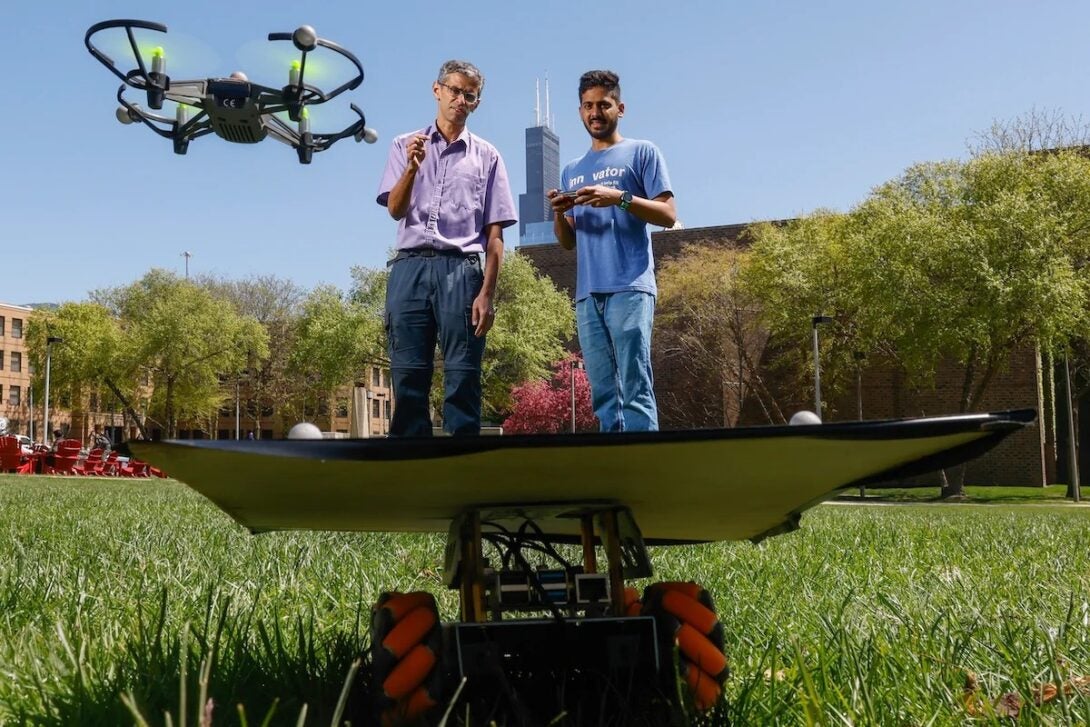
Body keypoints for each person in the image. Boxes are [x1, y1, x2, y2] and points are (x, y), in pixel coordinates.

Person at [376, 60, 516, 436]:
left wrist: (487, 293)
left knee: (463, 377)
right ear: (436, 90)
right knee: (408, 376)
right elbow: (395, 210)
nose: (459, 99)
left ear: (476, 103)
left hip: (462, 272)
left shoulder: (488, 157)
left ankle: (463, 471)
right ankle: (411, 471)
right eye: (453, 90)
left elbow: (496, 236)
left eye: (468, 95)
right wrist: (411, 167)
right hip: (409, 269)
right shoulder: (404, 145)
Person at [549, 70, 676, 432]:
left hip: (631, 287)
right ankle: (616, 472)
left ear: (619, 108)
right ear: (580, 112)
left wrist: (618, 197)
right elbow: (567, 240)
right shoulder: (572, 170)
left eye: (603, 105)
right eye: (588, 106)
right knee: (604, 396)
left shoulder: (642, 152)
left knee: (635, 388)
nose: (595, 112)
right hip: (588, 296)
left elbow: (668, 215)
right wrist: (559, 213)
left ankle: (645, 472)